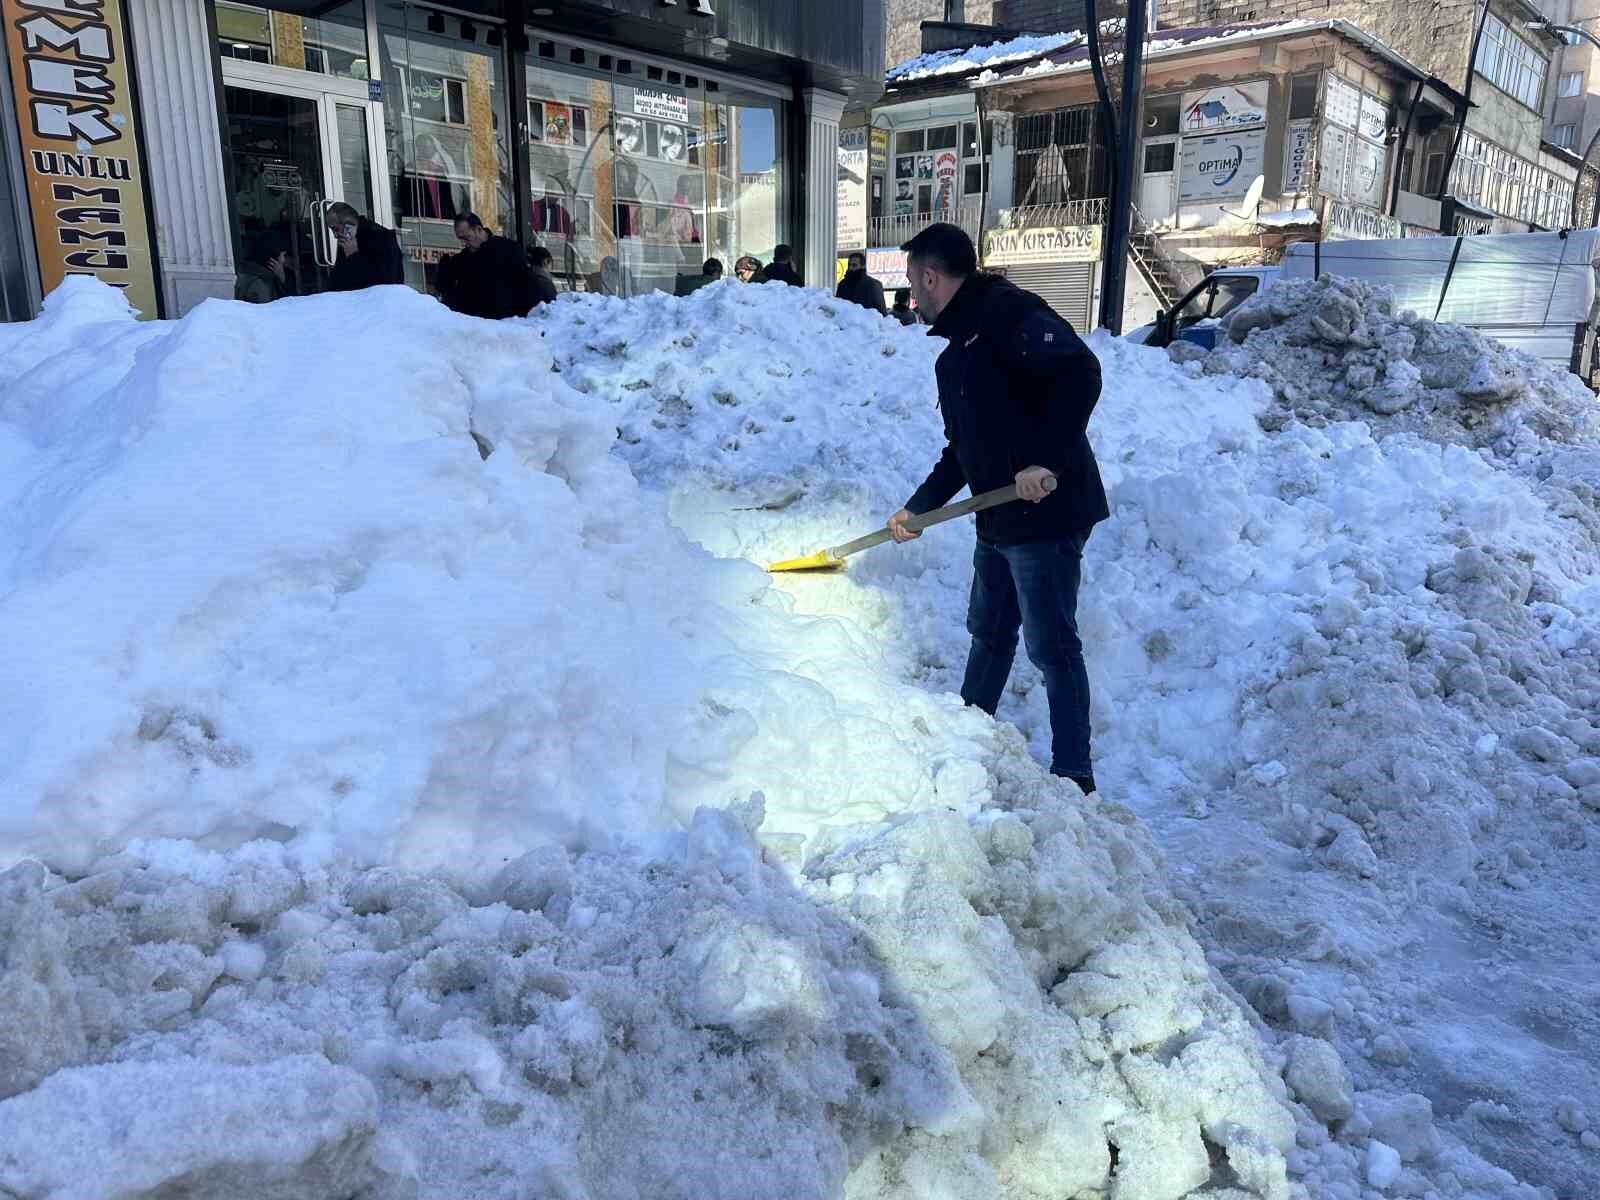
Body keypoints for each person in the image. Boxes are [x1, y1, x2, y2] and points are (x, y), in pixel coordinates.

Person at [886, 223, 1108, 795]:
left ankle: (1074, 773)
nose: (912, 296)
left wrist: (1045, 460)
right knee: (988, 632)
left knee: (1051, 646)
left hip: (1048, 510)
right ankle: (968, 736)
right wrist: (918, 508)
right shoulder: (955, 357)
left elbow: (1080, 373)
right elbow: (961, 451)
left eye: (911, 281)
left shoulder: (1010, 315)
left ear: (930, 276)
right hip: (999, 515)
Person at [451, 212, 531, 319]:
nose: (464, 243)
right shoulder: (461, 260)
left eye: (467, 238)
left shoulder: (509, 249)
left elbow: (525, 286)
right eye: (460, 239)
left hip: (507, 321)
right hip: (474, 323)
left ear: (478, 229)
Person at [325, 201, 404, 292]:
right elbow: (336, 281)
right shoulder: (347, 240)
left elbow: (385, 281)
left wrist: (353, 255)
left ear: (348, 224)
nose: (335, 235)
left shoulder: (381, 237)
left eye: (336, 229)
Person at [235, 230, 290, 304]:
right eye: (283, 255)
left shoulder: (252, 273)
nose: (283, 260)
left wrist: (282, 279)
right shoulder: (260, 284)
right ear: (273, 259)